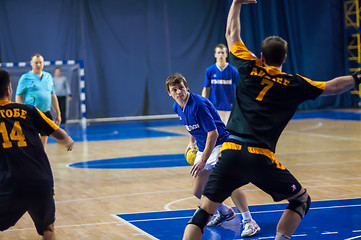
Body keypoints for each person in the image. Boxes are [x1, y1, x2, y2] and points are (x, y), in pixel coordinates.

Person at [182, 0, 361, 239]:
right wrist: (358, 77)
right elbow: (333, 87)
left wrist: (236, 3)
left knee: (203, 213)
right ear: (284, 58)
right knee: (301, 200)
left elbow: (231, 34)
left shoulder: (248, 66)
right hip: (260, 156)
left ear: (262, 55)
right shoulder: (294, 83)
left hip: (231, 151)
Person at [166, 73, 260, 237]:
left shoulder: (198, 104)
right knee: (198, 191)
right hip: (204, 146)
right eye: (174, 90)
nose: (179, 92)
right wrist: (192, 142)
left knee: (228, 183)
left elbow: (213, 133)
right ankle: (225, 212)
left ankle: (249, 221)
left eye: (181, 87)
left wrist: (203, 159)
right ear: (170, 93)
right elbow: (192, 126)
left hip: (220, 144)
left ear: (186, 87)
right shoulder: (177, 106)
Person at [0, 69, 74, 240]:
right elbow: (60, 135)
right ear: (8, 90)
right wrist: (67, 141)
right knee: (47, 229)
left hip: (9, 183)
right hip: (40, 179)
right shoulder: (29, 110)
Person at [15, 53, 61, 151]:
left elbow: (52, 95)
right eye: (36, 63)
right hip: (31, 114)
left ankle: (41, 160)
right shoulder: (25, 77)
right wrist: (21, 112)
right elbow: (18, 96)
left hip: (45, 113)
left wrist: (58, 113)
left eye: (40, 63)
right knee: (33, 140)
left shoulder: (48, 77)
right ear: (31, 63)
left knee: (43, 141)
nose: (39, 65)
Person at [202, 44, 239, 124]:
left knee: (227, 132)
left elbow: (240, 88)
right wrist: (203, 103)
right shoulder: (210, 70)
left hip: (229, 108)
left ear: (226, 54)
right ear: (215, 55)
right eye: (218, 53)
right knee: (216, 132)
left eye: (222, 52)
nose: (220, 55)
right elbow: (206, 88)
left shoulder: (233, 70)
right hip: (214, 107)